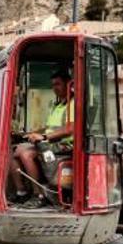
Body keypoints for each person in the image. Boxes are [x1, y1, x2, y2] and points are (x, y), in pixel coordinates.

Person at [9, 69, 74, 208]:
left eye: (58, 84)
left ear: (68, 84)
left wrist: (43, 137)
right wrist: (30, 133)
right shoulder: (57, 105)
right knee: (13, 152)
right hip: (50, 142)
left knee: (26, 154)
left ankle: (39, 195)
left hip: (65, 145)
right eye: (53, 85)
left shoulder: (73, 104)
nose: (54, 88)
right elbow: (48, 127)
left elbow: (70, 129)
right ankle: (21, 192)